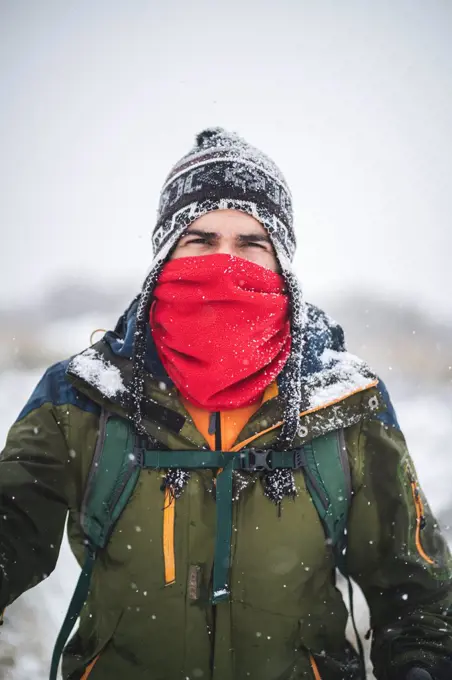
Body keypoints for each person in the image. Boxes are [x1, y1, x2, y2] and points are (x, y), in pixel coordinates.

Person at [0, 128, 451, 680]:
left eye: (250, 243)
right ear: (166, 252)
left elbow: (416, 594)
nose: (224, 261)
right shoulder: (84, 395)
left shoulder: (346, 404)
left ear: (281, 260)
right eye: (200, 239)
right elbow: (11, 528)